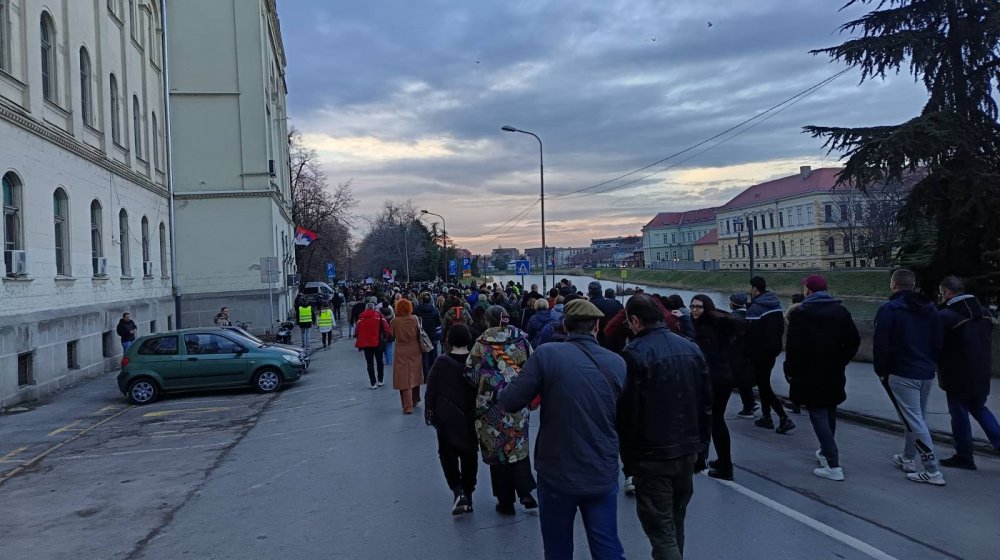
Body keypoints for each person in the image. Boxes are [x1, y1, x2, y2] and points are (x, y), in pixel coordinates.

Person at [499, 299, 626, 560]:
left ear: (565, 326)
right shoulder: (617, 363)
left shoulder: (547, 355)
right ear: (597, 326)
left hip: (557, 469)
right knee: (607, 546)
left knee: (557, 549)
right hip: (601, 466)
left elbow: (510, 401)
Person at [617, 294, 711, 560]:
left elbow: (628, 415)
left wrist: (629, 462)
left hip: (653, 455)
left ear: (635, 321)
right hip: (688, 450)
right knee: (674, 522)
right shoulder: (691, 348)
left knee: (661, 530)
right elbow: (706, 405)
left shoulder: (634, 354)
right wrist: (702, 447)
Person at [784, 275, 861, 481]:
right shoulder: (840, 311)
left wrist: (790, 370)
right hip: (834, 370)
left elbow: (793, 347)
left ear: (808, 290)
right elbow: (854, 340)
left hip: (809, 372)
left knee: (817, 412)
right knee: (830, 409)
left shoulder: (801, 313)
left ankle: (833, 463)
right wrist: (841, 360)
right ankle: (826, 451)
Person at [873, 269, 945, 485]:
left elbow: (881, 344)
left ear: (894, 284)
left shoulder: (889, 309)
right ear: (912, 285)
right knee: (915, 417)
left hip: (902, 370)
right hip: (925, 370)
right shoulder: (930, 308)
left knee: (914, 420)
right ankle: (908, 458)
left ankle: (932, 470)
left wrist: (881, 371)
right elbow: (939, 340)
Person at [464, 306, 537, 516]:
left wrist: (489, 382)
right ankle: (525, 492)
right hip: (517, 401)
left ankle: (505, 501)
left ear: (488, 320)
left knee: (497, 449)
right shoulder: (521, 339)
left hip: (490, 406)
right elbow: (533, 368)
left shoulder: (481, 343)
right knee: (517, 443)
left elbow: (471, 375)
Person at [936, 275, 1000, 470]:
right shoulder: (984, 312)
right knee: (980, 408)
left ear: (947, 292)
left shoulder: (947, 316)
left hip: (957, 373)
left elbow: (936, 343)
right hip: (981, 371)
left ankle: (964, 456)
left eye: (941, 293)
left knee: (959, 414)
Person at [425, 324, 478, 515]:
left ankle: (457, 491)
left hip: (446, 417)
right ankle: (469, 494)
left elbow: (431, 390)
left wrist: (430, 411)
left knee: (447, 456)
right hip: (471, 417)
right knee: (470, 455)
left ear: (449, 340)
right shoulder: (475, 362)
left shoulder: (441, 362)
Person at [689, 294, 738, 481]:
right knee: (716, 420)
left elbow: (705, 358)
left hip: (715, 379)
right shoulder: (716, 325)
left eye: (699, 307)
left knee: (715, 421)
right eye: (692, 306)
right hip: (723, 377)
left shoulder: (705, 330)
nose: (694, 310)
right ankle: (722, 460)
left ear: (706, 308)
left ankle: (726, 467)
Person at [746, 276, 795, 434]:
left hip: (760, 351)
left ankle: (783, 418)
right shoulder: (775, 303)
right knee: (763, 383)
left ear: (754, 289)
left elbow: (750, 334)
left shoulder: (755, 308)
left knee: (764, 386)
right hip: (773, 349)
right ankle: (766, 417)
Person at [389, 299, 424, 414]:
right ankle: (415, 398)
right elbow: (420, 333)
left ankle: (407, 406)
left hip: (401, 350)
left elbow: (390, 336)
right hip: (415, 348)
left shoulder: (395, 321)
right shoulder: (414, 319)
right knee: (415, 373)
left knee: (403, 377)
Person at [728, 293, 758, 419]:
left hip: (737, 353)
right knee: (745, 380)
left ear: (733, 304)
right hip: (750, 353)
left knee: (740, 381)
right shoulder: (751, 315)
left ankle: (748, 407)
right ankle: (750, 403)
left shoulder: (732, 318)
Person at [354, 303, 390, 389]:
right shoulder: (379, 316)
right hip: (377, 342)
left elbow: (357, 331)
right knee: (379, 362)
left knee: (369, 363)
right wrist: (385, 337)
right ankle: (380, 380)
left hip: (366, 344)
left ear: (366, 309)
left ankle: (373, 383)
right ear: (373, 308)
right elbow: (386, 327)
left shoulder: (361, 318)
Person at [587, 281, 624, 349]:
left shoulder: (589, 306)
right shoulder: (616, 303)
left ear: (589, 293)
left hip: (598, 344)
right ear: (601, 291)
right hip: (617, 343)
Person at [415, 292, 443, 379]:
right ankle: (433, 374)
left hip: (422, 335)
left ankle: (425, 374)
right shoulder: (435, 310)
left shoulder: (417, 310)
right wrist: (438, 337)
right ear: (430, 300)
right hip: (433, 335)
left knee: (424, 355)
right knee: (433, 354)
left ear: (422, 300)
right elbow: (438, 325)